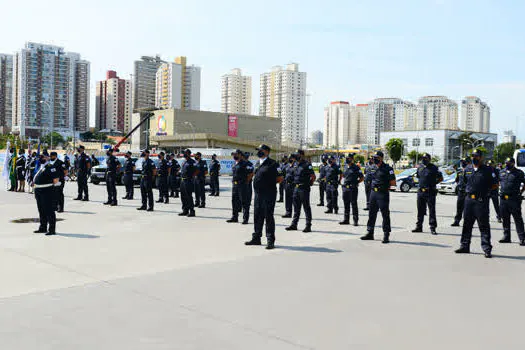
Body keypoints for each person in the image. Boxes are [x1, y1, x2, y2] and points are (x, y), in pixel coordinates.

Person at [455, 149, 498, 258]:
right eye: (473, 155)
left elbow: (494, 185)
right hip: (469, 200)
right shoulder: (468, 168)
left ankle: (487, 249)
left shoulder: (488, 170)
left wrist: (485, 192)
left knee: (483, 226)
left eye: (477, 156)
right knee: (467, 225)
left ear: (481, 157)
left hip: (481, 201)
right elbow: (464, 182)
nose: (475, 157)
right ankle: (464, 246)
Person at [245, 144, 281, 250]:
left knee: (268, 217)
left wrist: (267, 185)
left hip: (268, 194)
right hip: (258, 195)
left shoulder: (273, 163)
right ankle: (256, 238)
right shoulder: (257, 163)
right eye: (258, 150)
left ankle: (270, 241)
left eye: (260, 150)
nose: (258, 152)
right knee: (257, 216)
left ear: (267, 152)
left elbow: (280, 178)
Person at [360, 151, 396, 243]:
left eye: (377, 157)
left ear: (381, 158)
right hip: (373, 193)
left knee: (385, 214)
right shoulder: (373, 168)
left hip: (382, 194)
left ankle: (386, 234)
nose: (374, 159)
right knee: (371, 213)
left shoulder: (388, 169)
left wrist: (385, 189)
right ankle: (370, 233)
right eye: (374, 157)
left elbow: (393, 183)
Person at [412, 153, 443, 235]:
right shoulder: (420, 167)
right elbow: (418, 177)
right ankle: (419, 227)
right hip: (420, 192)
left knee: (432, 210)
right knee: (420, 210)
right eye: (423, 158)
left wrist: (433, 183)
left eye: (425, 158)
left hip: (430, 192)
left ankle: (433, 227)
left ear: (429, 159)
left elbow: (440, 178)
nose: (423, 159)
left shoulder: (434, 168)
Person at [286, 149, 316, 233]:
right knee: (296, 207)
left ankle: (308, 225)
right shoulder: (295, 164)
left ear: (302, 155)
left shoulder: (307, 164)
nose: (295, 156)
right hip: (296, 188)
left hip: (304, 188)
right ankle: (294, 224)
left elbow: (313, 176)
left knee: (306, 207)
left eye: (297, 154)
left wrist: (309, 183)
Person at [498, 157, 525, 245]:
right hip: (503, 199)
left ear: (513, 163)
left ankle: (522, 238)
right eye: (506, 163)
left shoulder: (519, 173)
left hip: (514, 199)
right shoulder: (501, 172)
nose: (507, 164)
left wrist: (521, 192)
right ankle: (506, 237)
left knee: (517, 219)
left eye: (509, 163)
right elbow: (498, 182)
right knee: (505, 218)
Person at [33, 151, 59, 236]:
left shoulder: (51, 167)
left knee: (49, 210)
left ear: (48, 157)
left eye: (43, 157)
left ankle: (52, 229)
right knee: (41, 210)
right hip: (38, 191)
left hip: (47, 191)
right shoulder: (41, 167)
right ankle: (43, 227)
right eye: (40, 157)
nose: (41, 158)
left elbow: (55, 180)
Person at [227, 150, 252, 224]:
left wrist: (245, 182)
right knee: (234, 201)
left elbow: (250, 174)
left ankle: (245, 219)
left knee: (244, 202)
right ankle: (234, 217)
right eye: (234, 154)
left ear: (241, 155)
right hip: (235, 185)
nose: (234, 156)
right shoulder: (234, 164)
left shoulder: (245, 163)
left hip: (242, 185)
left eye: (236, 154)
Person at [339, 153, 364, 226]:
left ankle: (355, 220)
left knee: (354, 204)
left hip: (352, 189)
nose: (347, 159)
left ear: (352, 159)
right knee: (346, 204)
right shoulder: (345, 167)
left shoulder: (356, 168)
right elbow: (343, 176)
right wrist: (342, 184)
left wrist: (356, 183)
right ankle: (346, 219)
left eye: (349, 158)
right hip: (345, 189)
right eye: (347, 158)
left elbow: (362, 178)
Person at [451, 158, 470, 226]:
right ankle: (457, 221)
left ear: (468, 162)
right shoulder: (459, 171)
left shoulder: (471, 170)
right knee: (459, 207)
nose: (462, 163)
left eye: (464, 162)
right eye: (462, 162)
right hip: (461, 191)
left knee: (467, 208)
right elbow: (457, 180)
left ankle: (467, 222)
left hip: (467, 192)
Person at [179, 149, 197, 217]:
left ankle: (192, 211)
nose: (184, 154)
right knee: (183, 196)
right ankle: (185, 210)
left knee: (188, 196)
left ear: (189, 154)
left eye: (185, 153)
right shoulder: (184, 161)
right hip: (183, 181)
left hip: (188, 181)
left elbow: (196, 171)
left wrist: (191, 177)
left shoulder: (192, 162)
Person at [281, 154, 296, 218]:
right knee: (287, 199)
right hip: (287, 184)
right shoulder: (286, 166)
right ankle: (288, 213)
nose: (290, 159)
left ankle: (296, 213)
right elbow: (283, 174)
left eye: (291, 158)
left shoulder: (296, 166)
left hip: (293, 185)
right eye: (289, 158)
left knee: (294, 200)